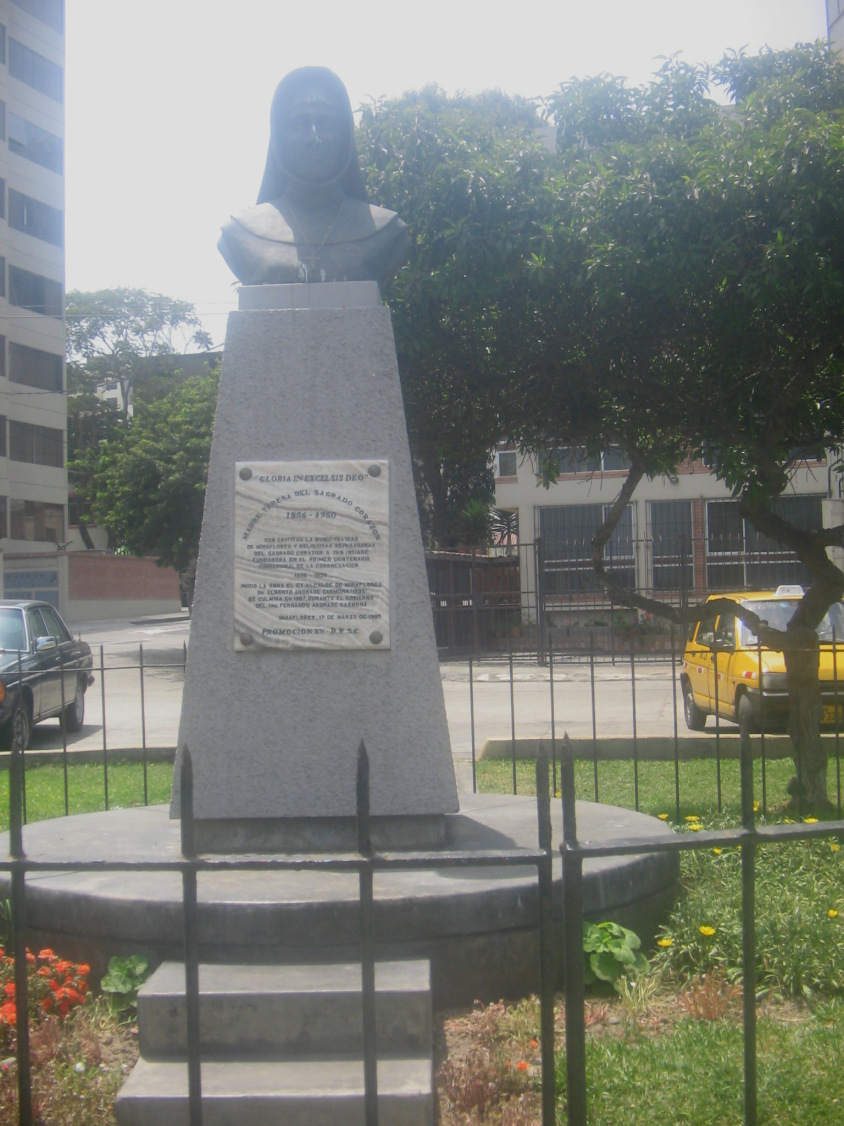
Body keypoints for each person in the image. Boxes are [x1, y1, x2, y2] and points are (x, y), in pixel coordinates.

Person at [218, 67, 408, 286]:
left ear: (345, 134)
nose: (314, 138)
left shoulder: (387, 231)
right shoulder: (241, 233)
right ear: (279, 137)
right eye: (299, 123)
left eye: (326, 122)